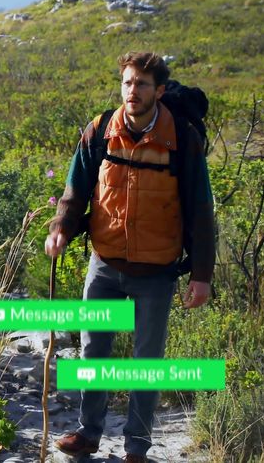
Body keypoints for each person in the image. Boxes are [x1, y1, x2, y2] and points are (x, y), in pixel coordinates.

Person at [44, 51, 216, 463]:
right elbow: (75, 191)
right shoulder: (102, 129)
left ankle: (136, 448)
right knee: (93, 351)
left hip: (156, 272)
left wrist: (201, 275)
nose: (132, 91)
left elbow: (200, 211)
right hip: (104, 264)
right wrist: (61, 231)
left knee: (145, 361)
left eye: (140, 84)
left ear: (158, 90)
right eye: (127, 83)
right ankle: (88, 434)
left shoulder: (181, 139)